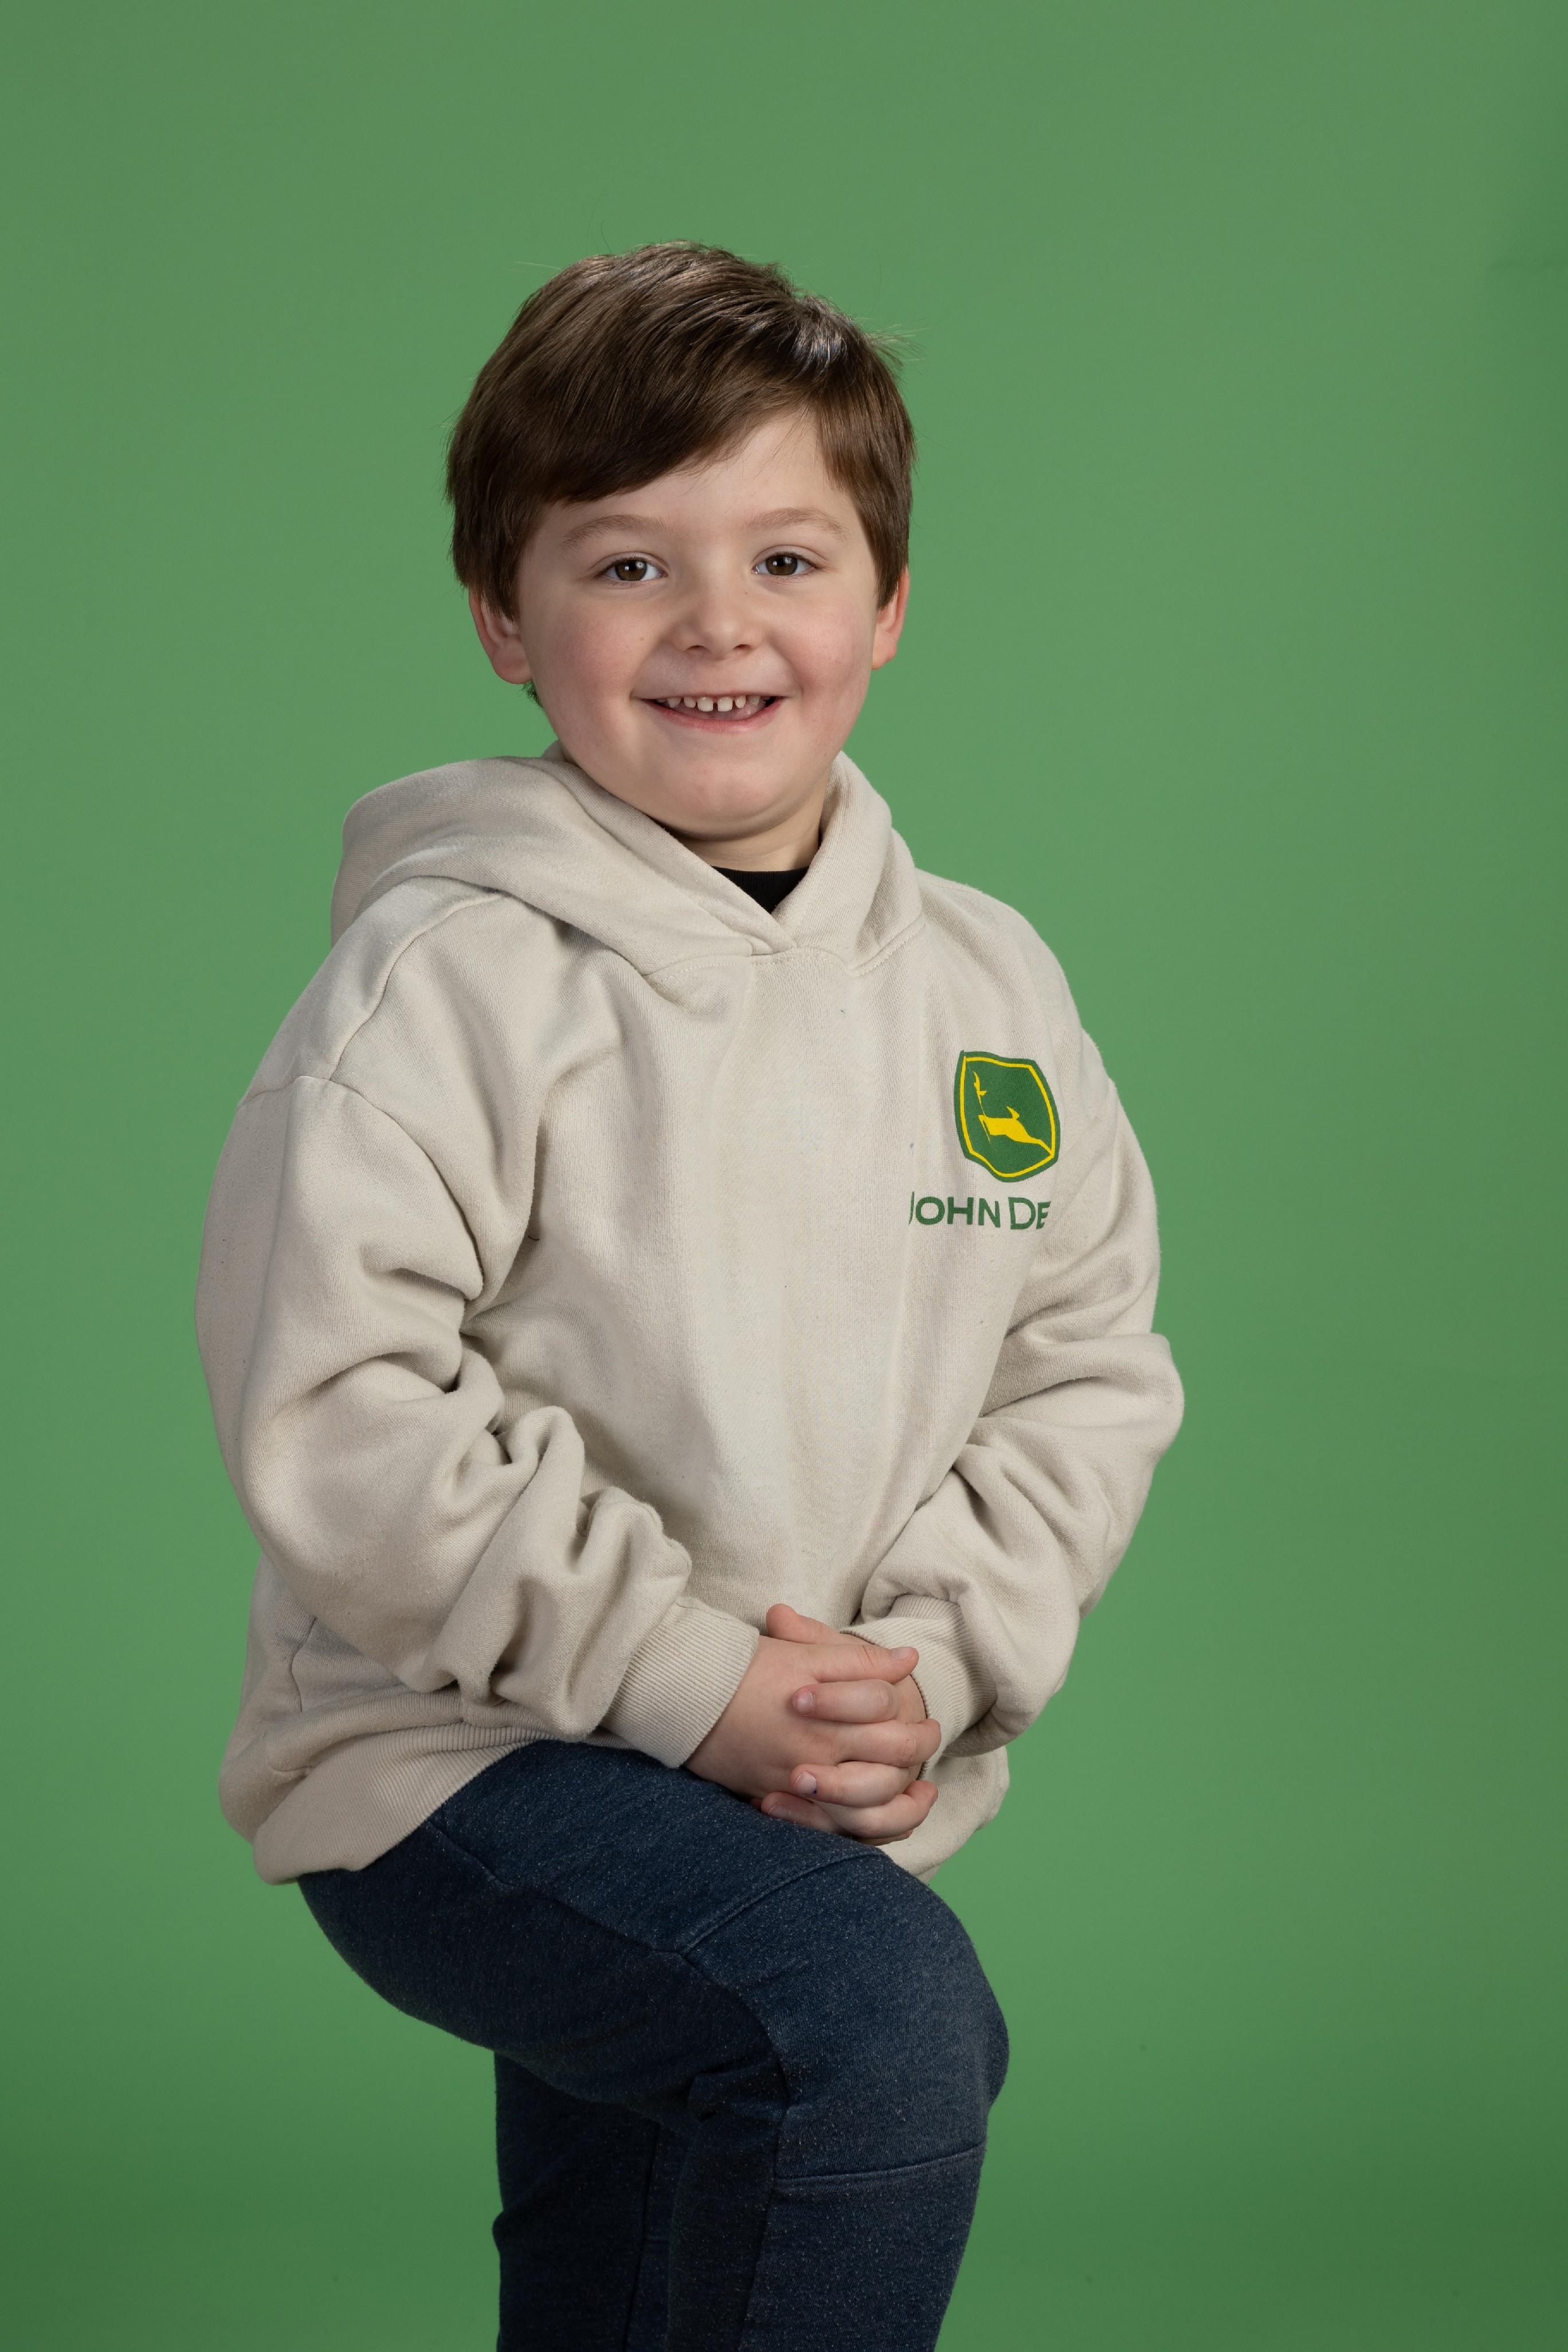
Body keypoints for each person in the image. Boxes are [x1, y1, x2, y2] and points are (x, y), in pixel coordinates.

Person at [196, 241, 1183, 2352]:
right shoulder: (447, 983)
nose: (719, 623)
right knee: (865, 2032)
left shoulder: (990, 993)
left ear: (888, 603)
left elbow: (1085, 1364)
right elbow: (345, 1402)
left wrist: (928, 1666)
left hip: (782, 1769)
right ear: (505, 616)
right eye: (629, 563)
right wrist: (682, 1673)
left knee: (646, 2247)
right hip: (460, 1757)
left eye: (788, 560)